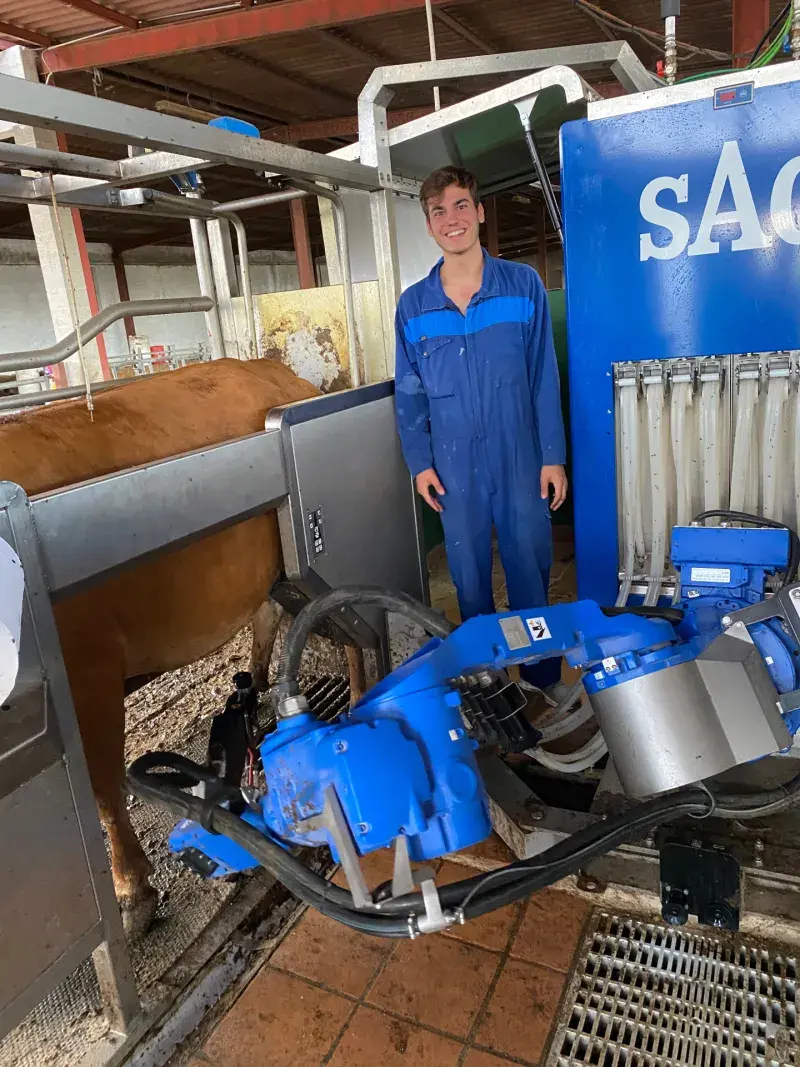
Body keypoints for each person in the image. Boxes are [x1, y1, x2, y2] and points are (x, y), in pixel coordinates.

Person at [394, 165, 568, 701]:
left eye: (460, 205)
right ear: (429, 225)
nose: (452, 219)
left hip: (521, 456)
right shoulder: (414, 305)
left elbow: (543, 376)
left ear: (480, 212)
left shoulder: (522, 285)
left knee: (529, 568)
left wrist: (552, 456)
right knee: (467, 577)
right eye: (439, 211)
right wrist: (420, 463)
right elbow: (409, 392)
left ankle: (542, 681)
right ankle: (489, 690)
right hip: (453, 463)